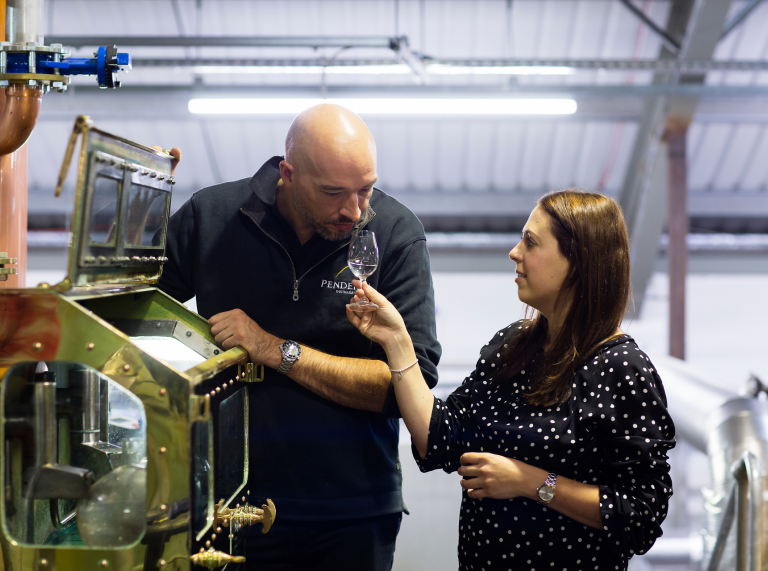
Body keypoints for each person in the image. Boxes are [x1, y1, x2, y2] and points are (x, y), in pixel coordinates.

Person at [158, 104, 441, 570]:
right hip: (227, 508)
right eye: (334, 193)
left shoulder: (394, 232)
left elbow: (407, 388)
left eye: (365, 190)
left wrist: (273, 349)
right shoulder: (212, 216)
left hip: (352, 513)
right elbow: (133, 307)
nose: (354, 211)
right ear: (288, 174)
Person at [347, 190, 675, 570]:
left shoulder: (623, 368)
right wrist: (397, 340)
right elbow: (440, 438)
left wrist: (530, 482)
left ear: (579, 261)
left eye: (531, 242)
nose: (514, 252)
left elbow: (640, 516)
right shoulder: (515, 345)